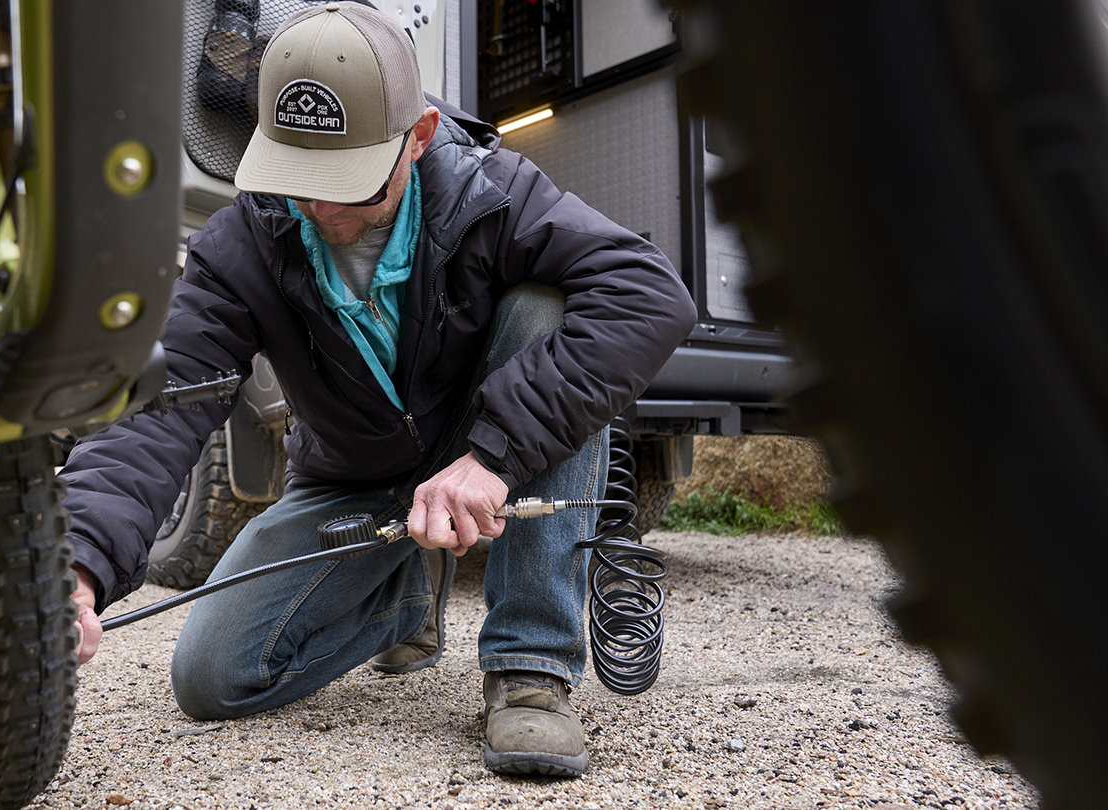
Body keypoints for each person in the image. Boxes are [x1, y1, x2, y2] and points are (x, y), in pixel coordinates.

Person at [59, 2, 695, 777]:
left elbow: (648, 295)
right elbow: (159, 412)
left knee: (547, 307)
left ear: (418, 137)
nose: (321, 210)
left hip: (482, 448)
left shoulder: (492, 190)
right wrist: (77, 561)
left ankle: (531, 667)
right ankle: (403, 592)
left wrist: (491, 458)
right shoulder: (240, 246)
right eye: (300, 179)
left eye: (348, 184)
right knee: (211, 677)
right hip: (355, 478)